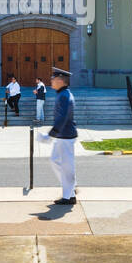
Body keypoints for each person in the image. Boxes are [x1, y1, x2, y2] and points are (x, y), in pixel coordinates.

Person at [38, 66, 77, 205]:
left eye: (53, 78)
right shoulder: (62, 94)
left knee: (67, 166)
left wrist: (50, 135)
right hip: (63, 135)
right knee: (55, 160)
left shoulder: (65, 95)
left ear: (61, 80)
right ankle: (71, 189)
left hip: (66, 136)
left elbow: (63, 117)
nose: (51, 80)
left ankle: (69, 196)